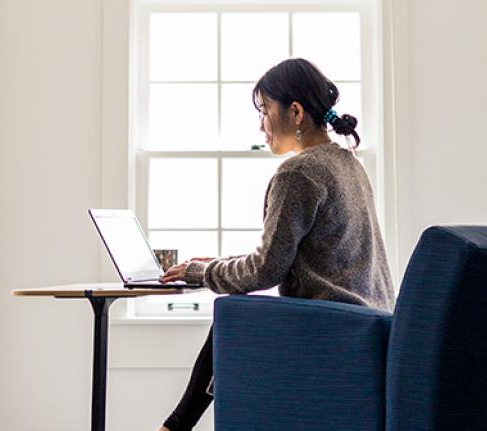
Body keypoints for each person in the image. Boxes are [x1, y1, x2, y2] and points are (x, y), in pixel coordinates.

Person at [157, 58, 396, 431]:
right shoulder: (348, 164)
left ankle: (174, 427)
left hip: (331, 330)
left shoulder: (298, 172)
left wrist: (201, 273)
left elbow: (266, 270)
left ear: (295, 111)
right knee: (238, 316)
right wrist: (215, 263)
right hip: (371, 325)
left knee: (232, 314)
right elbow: (291, 255)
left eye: (265, 110)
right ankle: (176, 426)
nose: (261, 124)